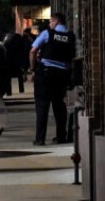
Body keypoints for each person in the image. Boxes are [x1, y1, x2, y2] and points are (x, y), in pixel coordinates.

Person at [29, 13, 76, 146]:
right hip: (61, 75)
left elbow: (33, 51)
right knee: (59, 106)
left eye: (50, 22)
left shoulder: (47, 34)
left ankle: (40, 139)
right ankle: (61, 136)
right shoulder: (70, 37)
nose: (49, 24)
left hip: (45, 73)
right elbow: (72, 59)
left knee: (42, 106)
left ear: (55, 21)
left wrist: (33, 69)